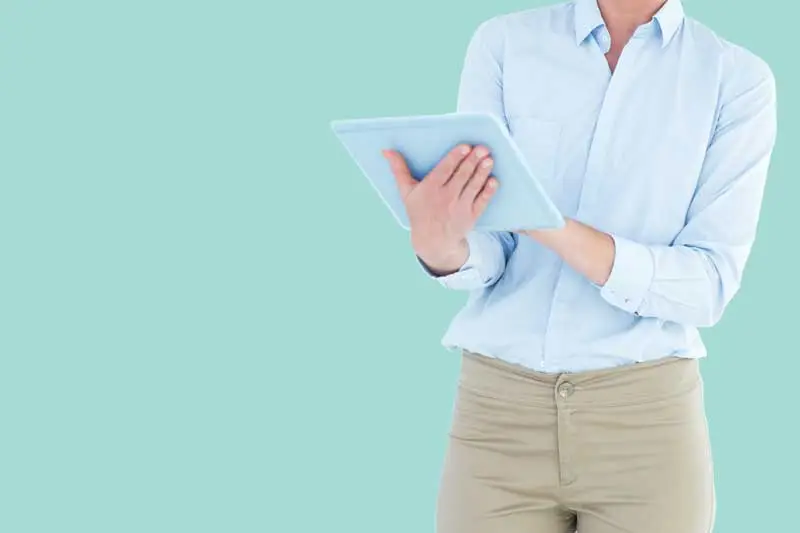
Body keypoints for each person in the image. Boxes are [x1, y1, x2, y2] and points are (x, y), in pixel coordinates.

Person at [381, 0, 777, 531]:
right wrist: (439, 244)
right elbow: (490, 249)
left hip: (646, 426)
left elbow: (707, 287)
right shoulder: (503, 44)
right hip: (496, 420)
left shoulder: (736, 79)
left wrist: (548, 225)